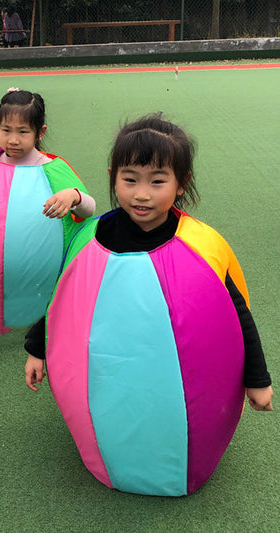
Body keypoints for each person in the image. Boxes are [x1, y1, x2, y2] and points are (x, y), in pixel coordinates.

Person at [23, 112, 272, 496]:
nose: (142, 194)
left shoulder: (201, 249)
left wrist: (257, 380)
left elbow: (237, 317)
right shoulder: (92, 239)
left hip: (178, 387)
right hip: (110, 377)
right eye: (130, 180)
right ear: (113, 176)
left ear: (181, 183)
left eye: (158, 181)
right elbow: (63, 299)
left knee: (173, 418)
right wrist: (37, 350)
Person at [0, 89, 95, 335]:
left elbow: (89, 210)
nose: (13, 140)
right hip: (2, 286)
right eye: (6, 130)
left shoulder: (53, 170)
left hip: (46, 281)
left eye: (23, 132)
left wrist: (73, 196)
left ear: (39, 132)